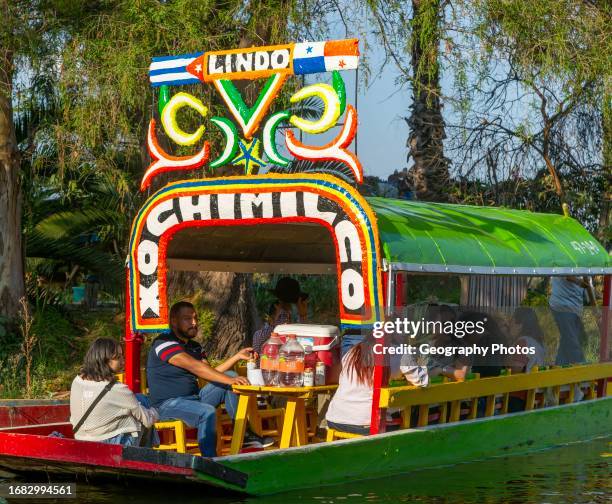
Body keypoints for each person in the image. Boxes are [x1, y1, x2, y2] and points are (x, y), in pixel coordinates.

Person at [146, 301, 272, 457]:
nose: (194, 323)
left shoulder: (195, 346)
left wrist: (237, 357)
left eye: (195, 318)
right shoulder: (163, 343)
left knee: (231, 376)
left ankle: (244, 433)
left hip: (195, 399)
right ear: (173, 321)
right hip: (166, 405)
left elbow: (210, 372)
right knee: (208, 410)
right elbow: (196, 367)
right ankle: (210, 461)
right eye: (187, 319)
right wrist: (229, 381)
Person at [70, 338, 158, 446]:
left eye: (122, 356)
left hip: (80, 438)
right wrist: (156, 412)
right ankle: (147, 456)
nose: (123, 361)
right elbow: (147, 420)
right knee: (143, 403)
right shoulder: (118, 390)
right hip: (108, 444)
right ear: (104, 360)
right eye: (118, 358)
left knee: (138, 399)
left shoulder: (77, 381)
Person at [325, 334, 402, 435]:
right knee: (402, 419)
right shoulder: (398, 353)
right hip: (367, 425)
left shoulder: (352, 352)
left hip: (334, 420)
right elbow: (420, 380)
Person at [252, 277, 308, 356]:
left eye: (288, 318)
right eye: (281, 317)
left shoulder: (291, 336)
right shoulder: (260, 335)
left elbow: (306, 337)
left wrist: (303, 315)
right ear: (270, 318)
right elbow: (269, 333)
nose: (285, 322)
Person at [549, 276, 593, 365]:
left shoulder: (585, 265)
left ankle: (558, 372)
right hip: (563, 306)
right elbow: (567, 275)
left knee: (566, 342)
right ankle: (584, 375)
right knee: (573, 343)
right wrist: (580, 282)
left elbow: (589, 287)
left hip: (575, 308)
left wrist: (594, 304)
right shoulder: (565, 262)